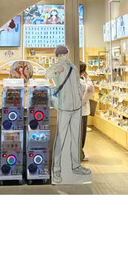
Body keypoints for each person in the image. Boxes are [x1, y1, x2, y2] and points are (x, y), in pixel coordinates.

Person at [46, 45, 91, 184]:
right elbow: (47, 74)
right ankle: (57, 170)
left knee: (75, 138)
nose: (64, 56)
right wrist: (55, 71)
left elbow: (77, 85)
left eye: (65, 54)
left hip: (76, 108)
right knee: (61, 139)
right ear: (58, 56)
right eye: (61, 55)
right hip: (64, 108)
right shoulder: (57, 67)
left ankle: (75, 165)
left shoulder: (73, 67)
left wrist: (79, 102)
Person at [79, 62, 94, 161]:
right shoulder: (82, 82)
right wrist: (88, 78)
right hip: (82, 111)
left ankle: (78, 153)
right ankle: (80, 154)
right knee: (81, 134)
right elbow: (90, 90)